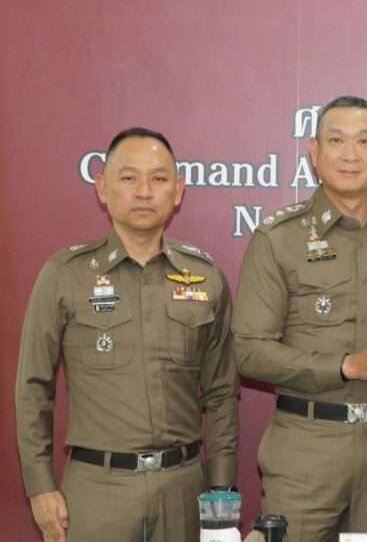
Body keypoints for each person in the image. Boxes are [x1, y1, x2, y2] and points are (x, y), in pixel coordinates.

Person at [232, 95, 367, 541]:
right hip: (306, 445)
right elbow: (248, 352)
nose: (351, 154)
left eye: (364, 142)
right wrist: (345, 366)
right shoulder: (278, 238)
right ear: (314, 152)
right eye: (336, 141)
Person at [15, 127, 239, 542]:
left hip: (183, 489)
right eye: (129, 177)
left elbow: (223, 393)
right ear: (102, 187)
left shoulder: (205, 277)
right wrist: (39, 486)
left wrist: (221, 490)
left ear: (178, 191)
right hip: (97, 491)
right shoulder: (65, 275)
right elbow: (33, 387)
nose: (144, 191)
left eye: (158, 178)